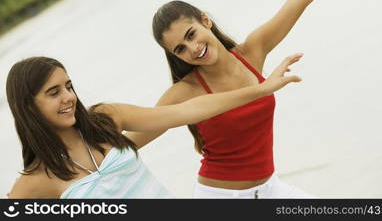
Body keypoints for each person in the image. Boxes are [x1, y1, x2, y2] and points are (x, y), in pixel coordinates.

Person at [140, 0, 359, 198]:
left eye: (192, 34)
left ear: (205, 20)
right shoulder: (184, 92)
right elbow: (129, 143)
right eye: (180, 49)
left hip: (270, 189)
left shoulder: (253, 52)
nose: (193, 49)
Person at [6, 54, 302, 198]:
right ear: (28, 106)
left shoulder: (106, 121)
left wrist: (261, 90)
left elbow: (188, 110)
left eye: (68, 86)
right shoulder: (37, 179)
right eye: (53, 92)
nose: (68, 97)